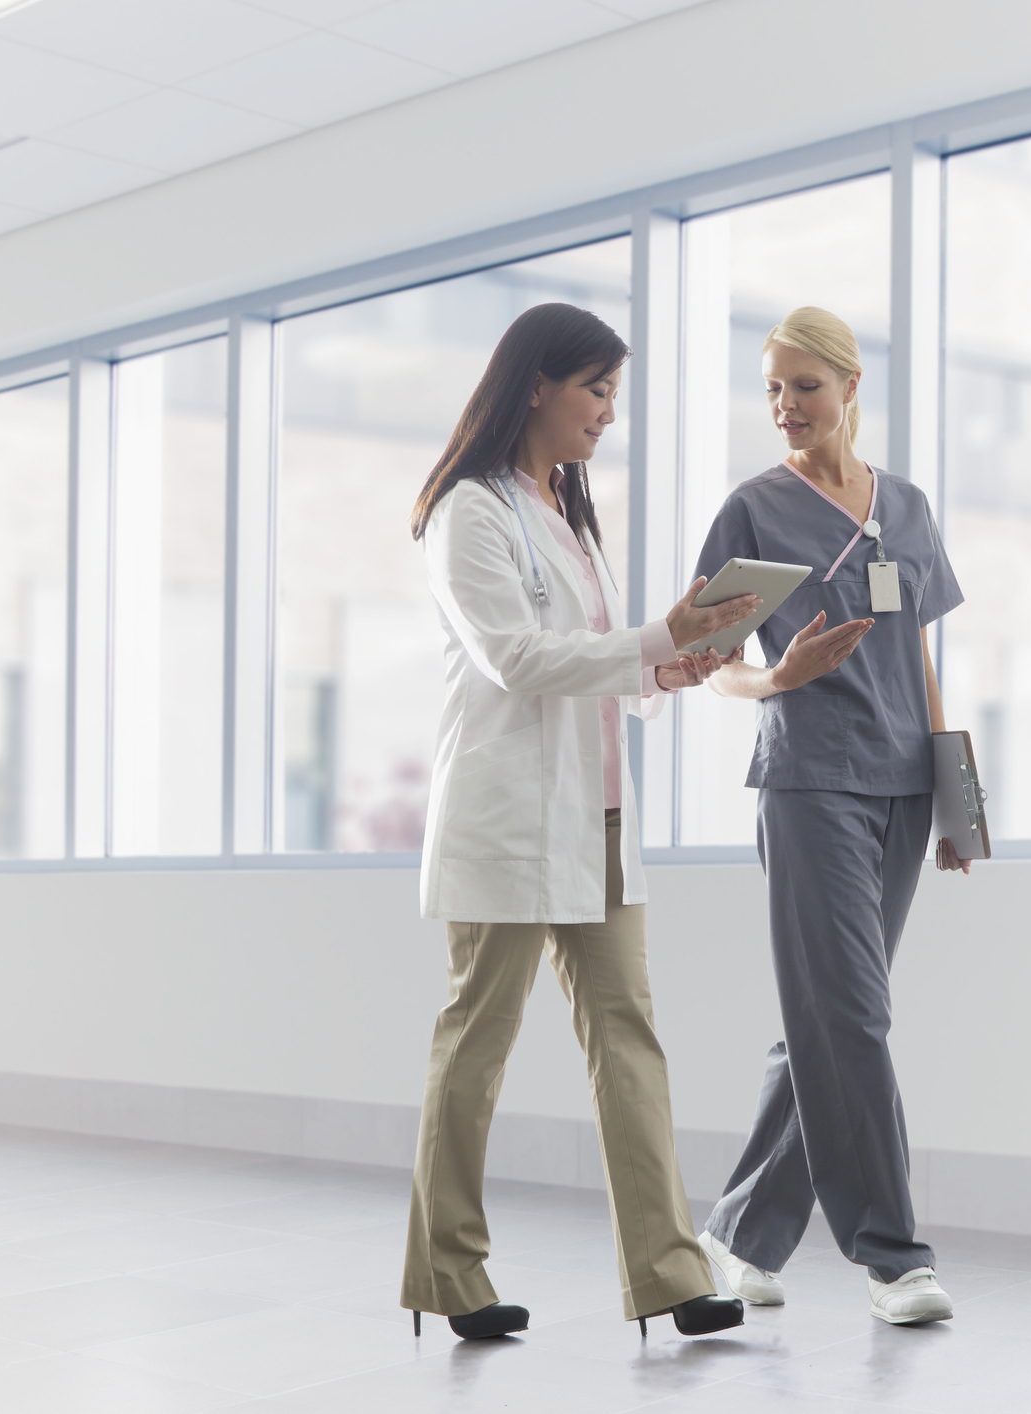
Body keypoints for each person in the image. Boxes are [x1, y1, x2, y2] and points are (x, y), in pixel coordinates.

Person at [402, 302, 757, 1341]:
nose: (608, 412)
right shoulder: (468, 512)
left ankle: (669, 1273)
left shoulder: (566, 511)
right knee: (478, 1044)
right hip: (510, 819)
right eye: (596, 389)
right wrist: (654, 635)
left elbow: (602, 666)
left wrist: (673, 664)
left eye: (613, 393)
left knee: (628, 1039)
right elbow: (516, 657)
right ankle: (448, 1271)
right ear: (536, 386)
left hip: (596, 817)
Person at [689, 305, 970, 1326]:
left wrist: (960, 804)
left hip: (902, 788)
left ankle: (738, 1232)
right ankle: (894, 1255)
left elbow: (925, 660)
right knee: (852, 1016)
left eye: (804, 386)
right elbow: (702, 667)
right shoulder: (754, 510)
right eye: (770, 389)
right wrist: (779, 677)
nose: (784, 407)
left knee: (828, 1020)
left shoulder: (906, 507)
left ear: (852, 388)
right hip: (809, 783)